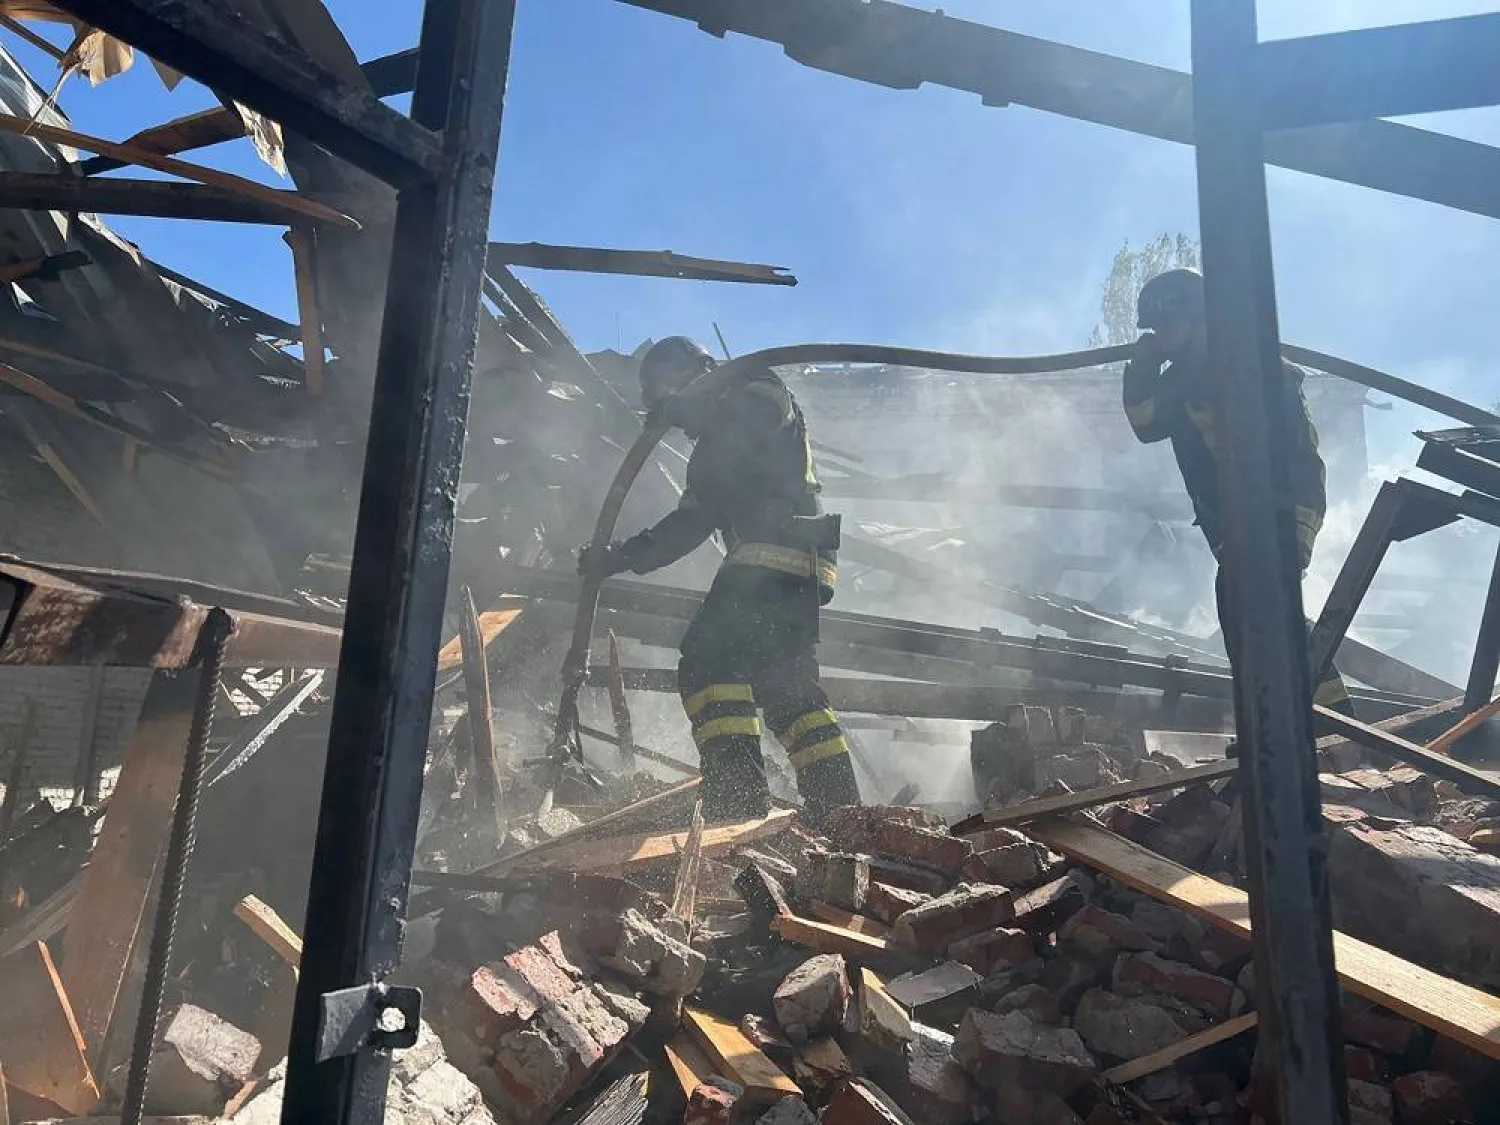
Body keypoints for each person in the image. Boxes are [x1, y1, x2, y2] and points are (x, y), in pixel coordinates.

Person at [579, 336, 861, 823]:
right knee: (787, 686)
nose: (663, 406)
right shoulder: (712, 449)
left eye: (664, 390)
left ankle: (738, 801)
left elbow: (751, 421)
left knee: (708, 663)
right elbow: (691, 520)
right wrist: (621, 558)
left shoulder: (756, 385)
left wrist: (685, 407)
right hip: (791, 558)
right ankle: (840, 813)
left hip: (773, 549)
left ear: (696, 371)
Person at [1123, 268, 1354, 716]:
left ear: (1201, 316)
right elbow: (1144, 424)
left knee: (1251, 607)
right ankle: (1310, 724)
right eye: (1155, 332)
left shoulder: (1244, 364)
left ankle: (1315, 728)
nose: (1162, 338)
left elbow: (1150, 416)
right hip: (1241, 522)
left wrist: (1148, 367)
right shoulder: (1188, 373)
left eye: (1168, 327)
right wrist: (1144, 365)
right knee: (1254, 615)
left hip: (1280, 512)